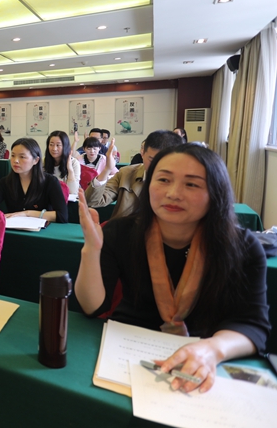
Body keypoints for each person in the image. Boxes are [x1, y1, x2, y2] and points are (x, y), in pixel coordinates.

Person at [74, 144, 269, 392]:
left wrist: (211, 349)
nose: (174, 193)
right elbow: (92, 307)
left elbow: (253, 325)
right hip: (126, 349)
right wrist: (91, 250)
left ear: (216, 192)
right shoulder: (121, 232)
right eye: (164, 180)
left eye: (192, 184)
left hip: (203, 357)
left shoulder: (242, 246)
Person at [86, 130, 183, 219]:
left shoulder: (184, 184)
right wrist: (107, 169)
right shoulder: (126, 173)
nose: (158, 166)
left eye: (165, 161)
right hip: (125, 230)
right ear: (142, 153)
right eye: (152, 160)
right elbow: (93, 201)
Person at [0, 137, 67, 223]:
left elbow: (62, 216)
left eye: (22, 157)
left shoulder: (50, 181)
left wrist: (26, 213)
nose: (15, 161)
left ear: (36, 160)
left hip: (42, 231)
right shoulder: (6, 182)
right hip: (13, 230)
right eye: (13, 155)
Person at [43, 130, 81, 195]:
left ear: (65, 146)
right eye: (51, 145)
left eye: (58, 145)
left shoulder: (74, 163)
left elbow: (73, 191)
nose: (54, 148)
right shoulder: (43, 162)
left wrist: (70, 169)